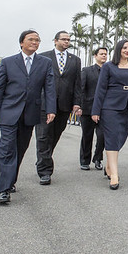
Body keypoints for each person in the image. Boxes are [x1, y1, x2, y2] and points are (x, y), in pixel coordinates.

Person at [0, 30, 56, 205]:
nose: (35, 42)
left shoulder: (45, 63)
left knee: (20, 148)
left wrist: (51, 109)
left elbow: (49, 88)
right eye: (31, 39)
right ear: (21, 43)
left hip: (30, 114)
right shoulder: (8, 62)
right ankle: (3, 189)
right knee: (7, 148)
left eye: (37, 40)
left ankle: (10, 180)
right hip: (9, 113)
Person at [91, 39, 128, 190]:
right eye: (124, 48)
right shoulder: (109, 67)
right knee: (112, 137)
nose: (127, 50)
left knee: (120, 138)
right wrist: (96, 110)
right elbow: (100, 89)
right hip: (110, 107)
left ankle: (109, 166)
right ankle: (114, 175)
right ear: (118, 50)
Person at [35, 30, 82, 185]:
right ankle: (45, 171)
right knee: (43, 136)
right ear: (55, 41)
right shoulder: (42, 57)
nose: (66, 42)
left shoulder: (75, 60)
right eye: (63, 39)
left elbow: (77, 83)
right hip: (44, 104)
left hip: (64, 104)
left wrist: (77, 102)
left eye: (68, 40)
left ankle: (44, 159)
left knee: (55, 135)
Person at [78, 47, 107, 171]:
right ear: (95, 56)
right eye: (101, 54)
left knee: (102, 136)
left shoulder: (109, 71)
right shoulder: (86, 71)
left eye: (106, 54)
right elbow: (81, 89)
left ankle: (98, 158)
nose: (104, 56)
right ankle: (85, 160)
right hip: (88, 109)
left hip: (104, 110)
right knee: (87, 135)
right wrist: (79, 106)